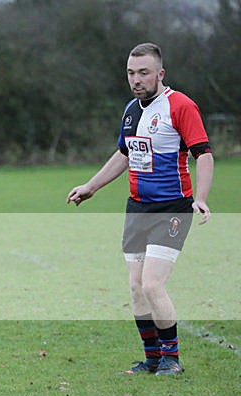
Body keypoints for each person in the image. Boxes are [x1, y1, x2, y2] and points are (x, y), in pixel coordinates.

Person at [67, 42, 214, 376]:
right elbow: (123, 154)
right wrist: (91, 186)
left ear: (160, 74)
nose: (137, 79)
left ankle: (172, 359)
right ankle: (152, 359)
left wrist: (201, 197)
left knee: (152, 285)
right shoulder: (132, 109)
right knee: (135, 289)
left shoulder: (180, 106)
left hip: (172, 208)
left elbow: (203, 155)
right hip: (137, 209)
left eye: (144, 73)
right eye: (131, 73)